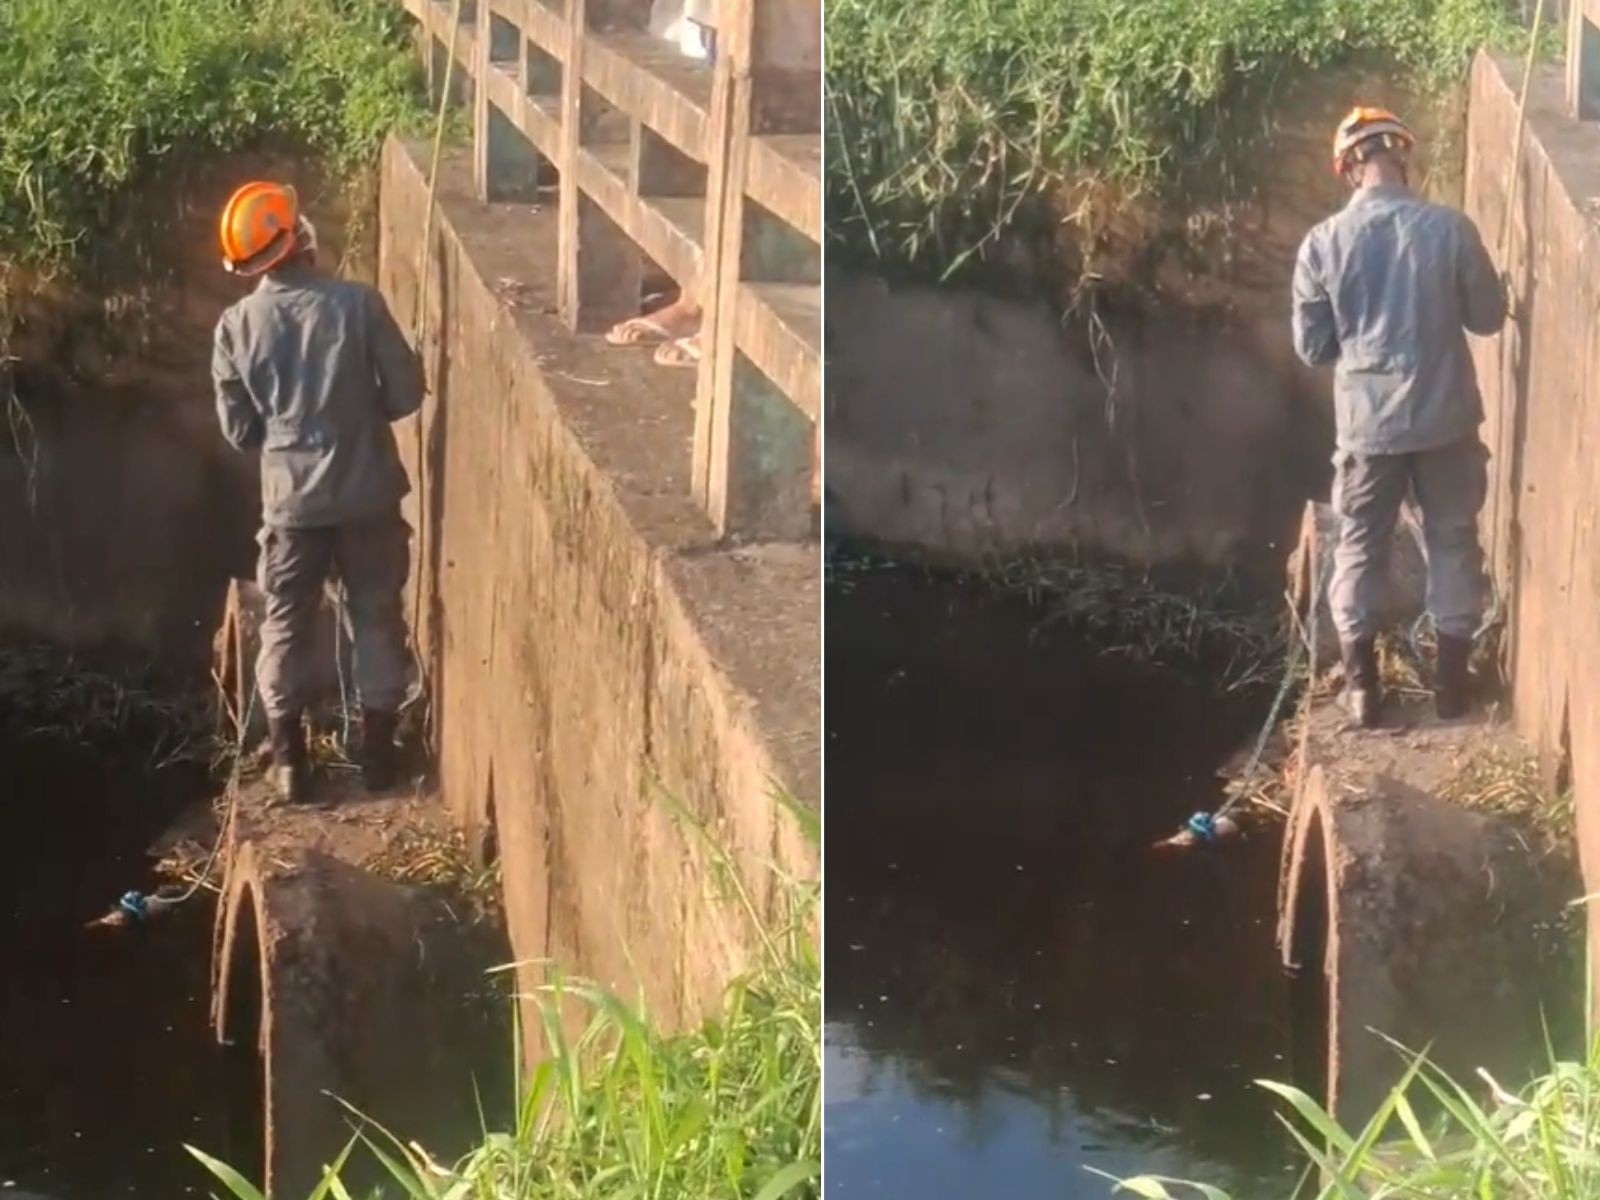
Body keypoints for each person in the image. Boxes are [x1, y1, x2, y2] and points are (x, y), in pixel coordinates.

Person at [1292, 107, 1507, 728]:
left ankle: (1362, 690)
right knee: (1453, 541)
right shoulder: (1450, 228)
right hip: (1446, 421)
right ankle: (1451, 690)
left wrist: (1361, 342)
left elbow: (1313, 348)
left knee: (1360, 547)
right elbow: (1487, 318)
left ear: (1347, 168)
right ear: (1401, 157)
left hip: (1368, 428)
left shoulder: (1321, 243)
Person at [211, 181, 423, 803]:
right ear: (299, 238)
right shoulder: (360, 305)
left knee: (282, 625)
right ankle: (378, 759)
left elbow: (240, 431)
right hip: (368, 498)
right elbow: (406, 396)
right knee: (376, 616)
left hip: (291, 508)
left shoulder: (234, 327)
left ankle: (289, 764)